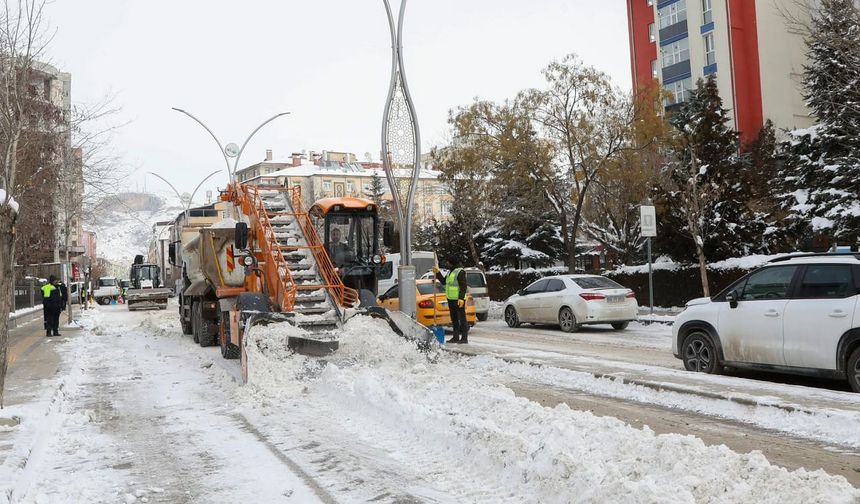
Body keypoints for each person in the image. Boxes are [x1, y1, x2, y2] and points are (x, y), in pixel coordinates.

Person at [434, 259, 469, 344]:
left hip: (458, 300)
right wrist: (437, 273)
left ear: (452, 263)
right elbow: (443, 282)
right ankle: (455, 337)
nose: (446, 263)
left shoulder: (460, 272)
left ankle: (464, 338)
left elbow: (463, 286)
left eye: (448, 262)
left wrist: (461, 298)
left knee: (462, 319)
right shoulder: (450, 272)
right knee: (454, 319)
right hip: (451, 299)